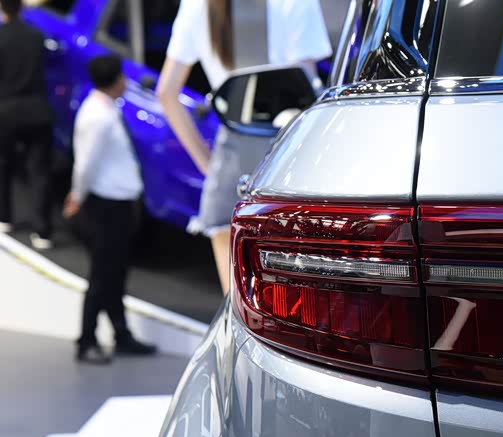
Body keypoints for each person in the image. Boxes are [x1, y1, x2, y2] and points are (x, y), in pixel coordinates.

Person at [157, 0, 331, 294]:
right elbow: (304, 92)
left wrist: (208, 164)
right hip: (289, 166)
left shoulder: (198, 5)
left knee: (236, 306)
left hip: (231, 170)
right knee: (295, 303)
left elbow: (166, 92)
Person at [63, 55, 157, 364]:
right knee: (102, 275)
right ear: (116, 80)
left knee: (115, 273)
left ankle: (121, 333)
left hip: (118, 202)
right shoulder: (97, 116)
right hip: (106, 206)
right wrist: (77, 196)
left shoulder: (105, 109)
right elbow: (85, 164)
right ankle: (86, 340)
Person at [0, 0, 54, 249]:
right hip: (37, 109)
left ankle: (4, 217)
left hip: (6, 111)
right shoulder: (36, 36)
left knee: (3, 166)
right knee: (39, 171)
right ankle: (42, 230)